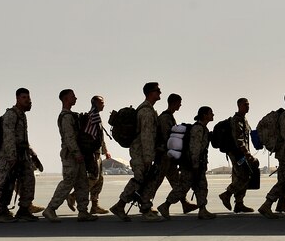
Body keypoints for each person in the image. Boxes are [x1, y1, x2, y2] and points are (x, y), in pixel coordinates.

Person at [43, 89, 98, 222]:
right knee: (68, 183)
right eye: (73, 96)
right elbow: (69, 138)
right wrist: (76, 153)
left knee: (82, 183)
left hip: (77, 154)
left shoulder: (72, 116)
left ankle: (83, 211)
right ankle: (50, 209)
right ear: (66, 99)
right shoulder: (66, 117)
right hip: (71, 155)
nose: (76, 98)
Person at [112, 82, 163, 222]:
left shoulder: (149, 109)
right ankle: (121, 205)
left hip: (142, 151)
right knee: (140, 179)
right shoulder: (146, 111)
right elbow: (146, 136)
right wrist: (148, 158)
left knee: (146, 179)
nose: (160, 93)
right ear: (150, 93)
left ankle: (144, 207)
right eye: (157, 91)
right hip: (141, 152)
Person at [157, 106, 216, 220]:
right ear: (204, 115)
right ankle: (165, 205)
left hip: (196, 164)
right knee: (183, 187)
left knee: (201, 186)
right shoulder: (198, 129)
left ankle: (202, 210)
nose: (212, 115)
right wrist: (195, 166)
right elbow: (194, 148)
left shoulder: (203, 129)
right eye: (210, 113)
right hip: (191, 165)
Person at [0, 88, 39, 223]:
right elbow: (8, 137)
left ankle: (24, 210)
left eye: (28, 98)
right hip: (10, 156)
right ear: (17, 99)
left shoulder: (22, 115)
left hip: (23, 155)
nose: (28, 100)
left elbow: (23, 138)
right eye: (24, 98)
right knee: (6, 183)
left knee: (29, 180)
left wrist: (32, 153)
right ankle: (0, 211)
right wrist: (12, 157)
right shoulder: (11, 115)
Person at [153, 94, 198, 214]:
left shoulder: (170, 117)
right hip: (164, 156)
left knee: (177, 182)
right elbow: (167, 137)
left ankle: (184, 203)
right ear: (174, 103)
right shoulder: (165, 118)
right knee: (156, 181)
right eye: (179, 102)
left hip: (170, 156)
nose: (180, 105)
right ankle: (146, 204)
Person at [68, 95, 111, 214]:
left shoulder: (97, 117)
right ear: (95, 103)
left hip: (97, 152)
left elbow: (100, 137)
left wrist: (105, 150)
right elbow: (90, 136)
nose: (103, 104)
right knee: (93, 177)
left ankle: (95, 205)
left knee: (100, 179)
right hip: (91, 152)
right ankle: (74, 196)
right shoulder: (92, 117)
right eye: (101, 102)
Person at [219, 98, 257, 213]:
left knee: (240, 176)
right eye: (245, 105)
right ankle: (227, 194)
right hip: (237, 153)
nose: (248, 107)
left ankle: (239, 204)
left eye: (248, 105)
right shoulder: (236, 120)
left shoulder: (244, 120)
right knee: (244, 176)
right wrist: (248, 154)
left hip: (242, 153)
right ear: (239, 105)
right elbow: (239, 140)